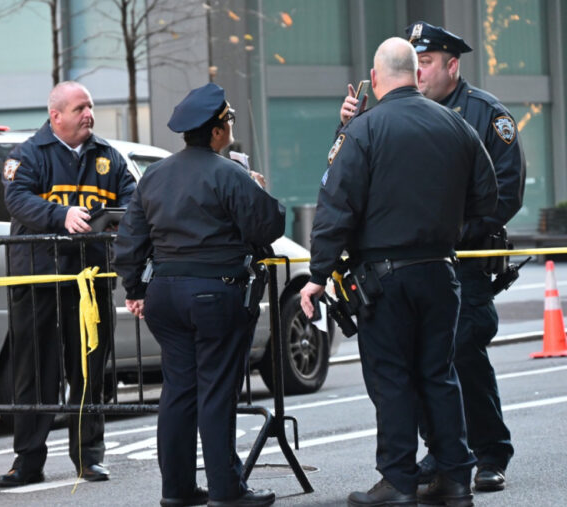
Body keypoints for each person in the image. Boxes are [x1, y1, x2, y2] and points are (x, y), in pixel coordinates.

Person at [300, 38, 498, 506]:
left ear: (375, 78)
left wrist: (318, 273)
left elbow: (336, 206)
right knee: (439, 374)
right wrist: (449, 224)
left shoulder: (364, 130)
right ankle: (454, 478)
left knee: (391, 378)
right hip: (441, 269)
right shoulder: (455, 124)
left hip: (384, 276)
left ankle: (398, 481)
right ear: (415, 72)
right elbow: (488, 195)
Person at [341, 21, 525, 493]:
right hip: (408, 263)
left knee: (461, 355)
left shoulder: (483, 114)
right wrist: (348, 126)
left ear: (451, 65)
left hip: (460, 258)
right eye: (413, 62)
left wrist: (448, 230)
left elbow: (504, 192)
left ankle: (487, 451)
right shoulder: (385, 115)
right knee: (414, 365)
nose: (418, 72)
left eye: (425, 62)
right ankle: (442, 456)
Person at [113, 83, 284, 507]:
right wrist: (258, 188)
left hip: (164, 296)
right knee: (216, 392)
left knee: (178, 393)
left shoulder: (153, 175)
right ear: (215, 131)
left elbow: (130, 241)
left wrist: (135, 289)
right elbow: (269, 227)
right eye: (227, 121)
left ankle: (178, 491)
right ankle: (228, 490)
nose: (229, 128)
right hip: (214, 293)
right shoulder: (230, 174)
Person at [0, 81, 136, 487]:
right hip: (39, 279)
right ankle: (28, 461)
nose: (88, 114)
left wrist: (115, 219)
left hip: (89, 282)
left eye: (90, 106)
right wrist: (61, 216)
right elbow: (17, 198)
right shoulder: (28, 154)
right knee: (34, 373)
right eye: (79, 108)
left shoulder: (108, 157)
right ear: (56, 116)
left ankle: (89, 458)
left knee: (88, 371)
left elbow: (132, 202)